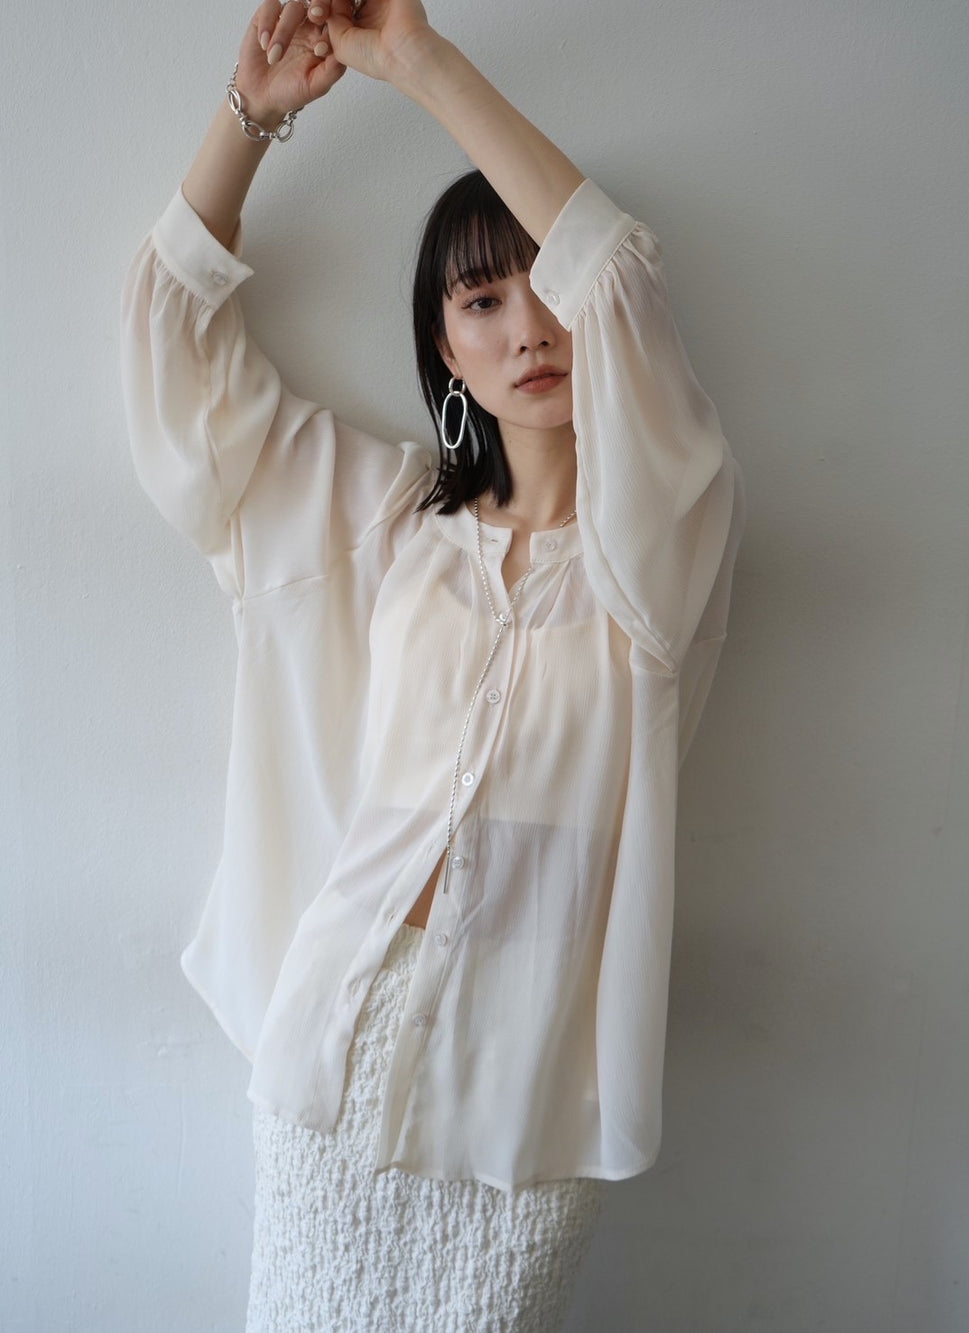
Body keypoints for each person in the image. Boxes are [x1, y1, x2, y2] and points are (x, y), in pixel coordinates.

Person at [120, 0, 747, 1327]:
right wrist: (252, 115)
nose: (531, 327)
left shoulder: (658, 555)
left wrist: (417, 62)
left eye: (543, 283)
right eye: (482, 298)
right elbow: (178, 365)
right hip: (337, 1048)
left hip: (527, 1089)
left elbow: (620, 281)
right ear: (446, 349)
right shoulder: (388, 526)